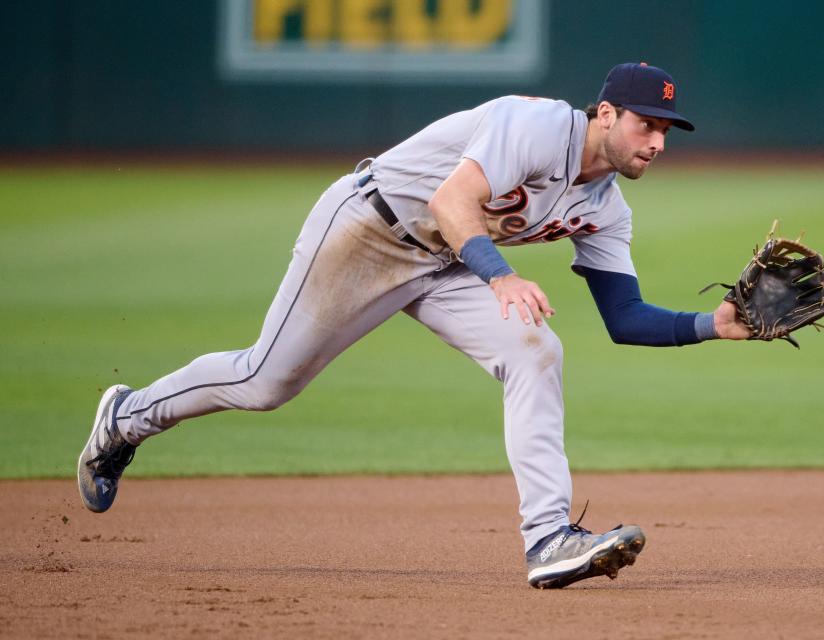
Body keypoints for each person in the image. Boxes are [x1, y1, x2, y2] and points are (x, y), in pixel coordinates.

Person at [78, 62, 750, 589]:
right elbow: (451, 200)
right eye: (646, 124)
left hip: (449, 263)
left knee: (536, 352)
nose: (657, 142)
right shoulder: (539, 124)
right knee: (265, 382)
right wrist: (499, 276)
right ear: (606, 113)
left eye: (666, 131)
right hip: (369, 228)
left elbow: (625, 318)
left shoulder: (607, 208)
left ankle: (548, 539)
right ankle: (126, 417)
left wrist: (713, 324)